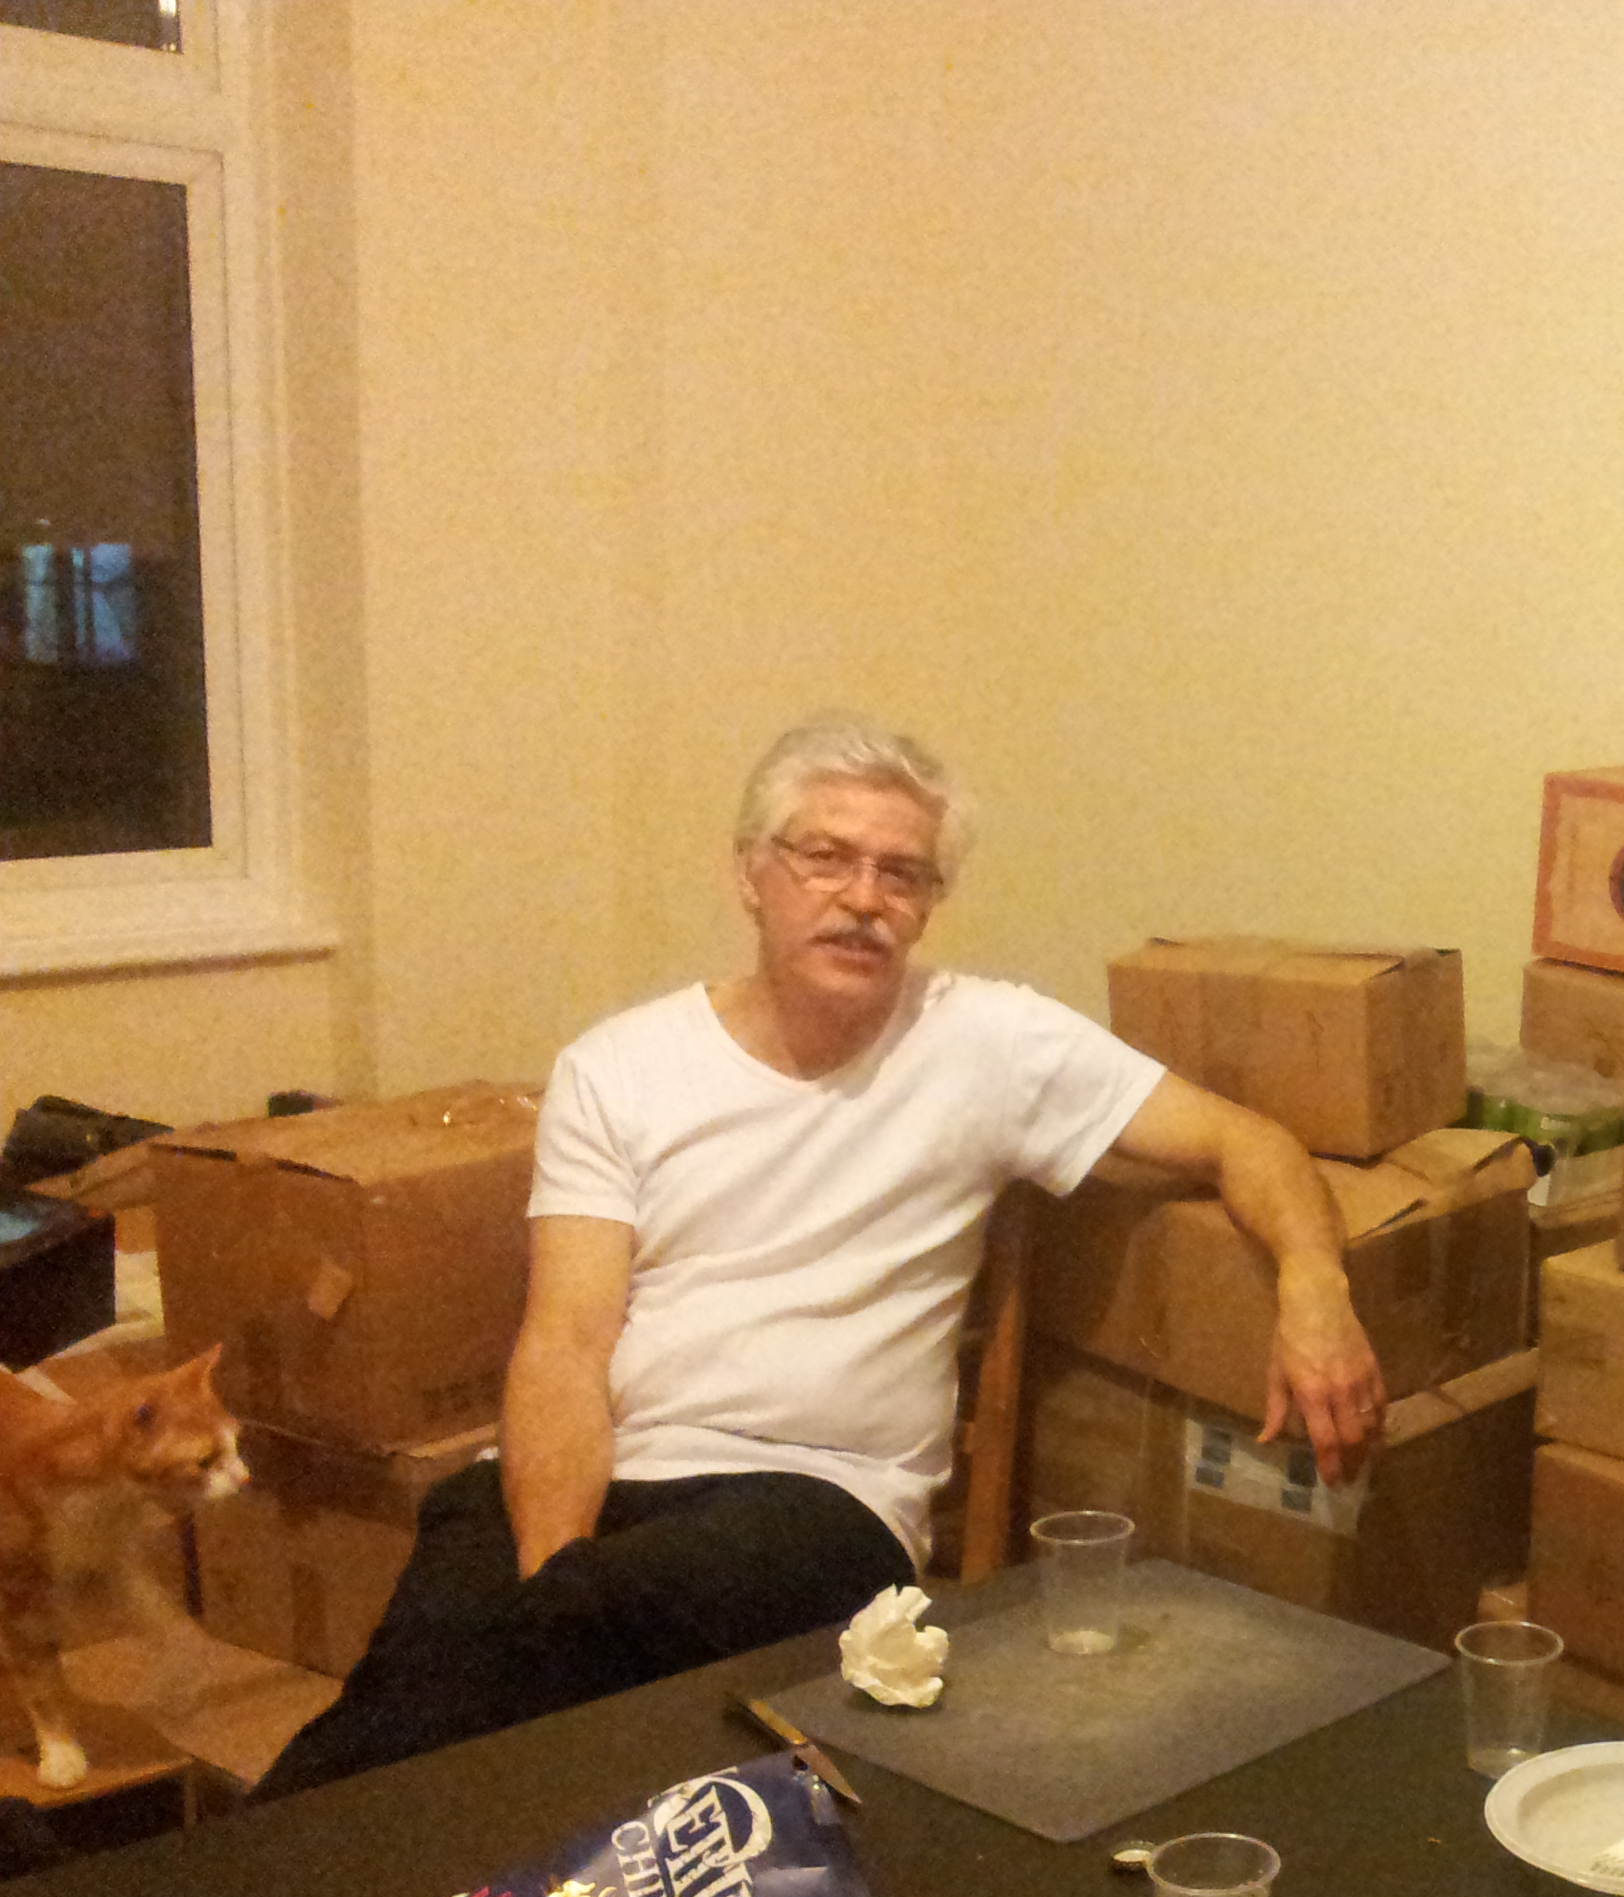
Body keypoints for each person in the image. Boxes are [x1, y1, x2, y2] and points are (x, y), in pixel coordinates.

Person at [258, 715, 1386, 1799]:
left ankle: (327, 1888)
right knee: (423, 1670)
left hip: (817, 1500)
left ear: (929, 904)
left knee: (501, 1684)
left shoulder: (990, 1043)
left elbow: (1248, 1143)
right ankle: (271, 1884)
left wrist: (1315, 1289)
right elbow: (564, 1342)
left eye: (903, 874)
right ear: (750, 872)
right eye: (826, 857)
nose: (863, 898)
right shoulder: (620, 1068)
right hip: (605, 1475)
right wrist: (558, 1573)